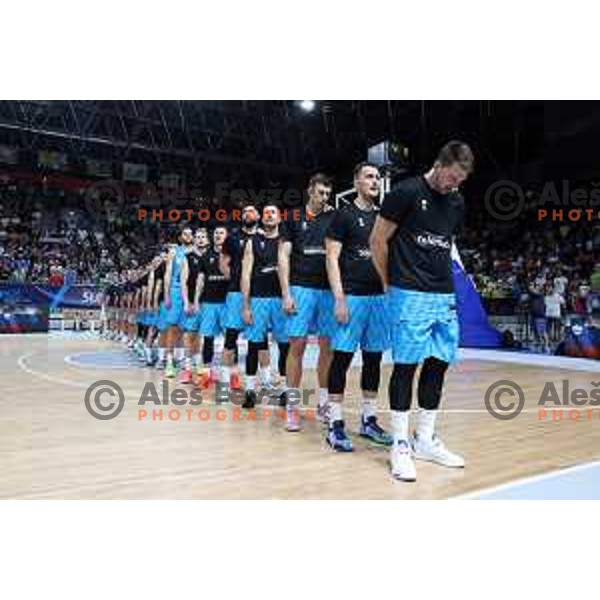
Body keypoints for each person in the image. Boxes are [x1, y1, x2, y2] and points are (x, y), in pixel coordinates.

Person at [370, 140, 473, 481]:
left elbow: (446, 246)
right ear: (439, 164)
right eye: (451, 178)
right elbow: (377, 241)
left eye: (460, 180)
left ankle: (424, 440)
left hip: (443, 294)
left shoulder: (456, 201)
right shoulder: (406, 192)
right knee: (406, 367)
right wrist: (388, 284)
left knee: (439, 364)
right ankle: (399, 443)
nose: (454, 185)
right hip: (408, 292)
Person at [324, 162, 393, 451]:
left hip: (379, 298)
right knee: (341, 359)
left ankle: (368, 420)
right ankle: (335, 424)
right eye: (369, 176)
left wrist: (390, 292)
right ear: (356, 181)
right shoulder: (343, 215)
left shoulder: (383, 217)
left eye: (378, 177)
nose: (375, 181)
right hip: (351, 297)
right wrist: (339, 298)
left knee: (374, 360)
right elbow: (331, 257)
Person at [278, 173, 336, 429]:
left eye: (327, 194)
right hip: (300, 288)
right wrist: (286, 293)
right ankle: (292, 407)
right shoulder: (291, 217)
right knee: (297, 347)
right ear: (310, 191)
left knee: (328, 348)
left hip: (327, 291)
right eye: (320, 192)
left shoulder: (334, 217)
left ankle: (324, 404)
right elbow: (283, 256)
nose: (324, 198)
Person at [241, 204, 290, 411]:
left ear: (279, 218)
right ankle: (250, 391)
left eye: (273, 212)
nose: (269, 215)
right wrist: (246, 305)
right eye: (266, 212)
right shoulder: (253, 242)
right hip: (259, 299)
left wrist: (290, 296)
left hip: (281, 299)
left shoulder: (286, 241)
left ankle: (287, 391)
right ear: (261, 218)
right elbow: (245, 274)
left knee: (285, 347)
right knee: (254, 345)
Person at [220, 206, 261, 391]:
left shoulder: (264, 236)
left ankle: (261, 380)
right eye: (244, 212)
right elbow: (223, 263)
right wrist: (236, 279)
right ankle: (225, 380)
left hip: (260, 294)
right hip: (236, 292)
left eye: (251, 212)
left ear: (257, 216)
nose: (247, 214)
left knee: (259, 340)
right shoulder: (232, 237)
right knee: (231, 337)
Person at [197, 226, 229, 386]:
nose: (218, 235)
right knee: (208, 339)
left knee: (230, 340)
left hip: (227, 303)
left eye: (221, 233)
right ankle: (207, 373)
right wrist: (196, 300)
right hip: (209, 302)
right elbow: (200, 280)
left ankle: (230, 374)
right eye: (216, 232)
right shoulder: (206, 256)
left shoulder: (232, 254)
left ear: (226, 236)